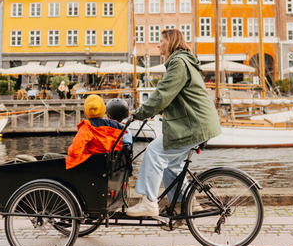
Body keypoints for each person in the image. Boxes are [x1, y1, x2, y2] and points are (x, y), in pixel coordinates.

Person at [126, 29, 221, 217]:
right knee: (172, 166)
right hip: (197, 123)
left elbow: (162, 94)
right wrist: (153, 111)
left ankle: (149, 201)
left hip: (194, 125)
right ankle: (184, 204)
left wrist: (139, 113)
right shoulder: (183, 61)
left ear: (170, 43)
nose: (157, 44)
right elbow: (173, 97)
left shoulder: (178, 63)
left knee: (154, 152)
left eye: (160, 41)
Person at [63, 95, 129, 169]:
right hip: (109, 164)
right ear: (103, 110)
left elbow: (75, 152)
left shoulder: (87, 127)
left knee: (48, 157)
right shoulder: (116, 126)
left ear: (85, 111)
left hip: (91, 163)